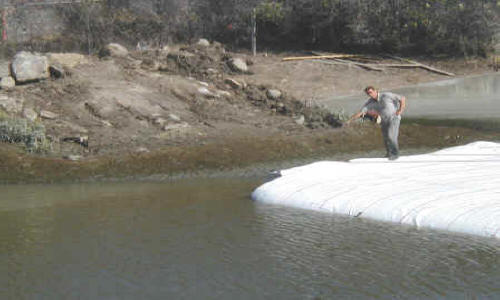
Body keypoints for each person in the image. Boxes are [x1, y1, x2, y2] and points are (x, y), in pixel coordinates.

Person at [345, 86, 406, 160]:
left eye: (370, 92)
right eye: (368, 93)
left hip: (394, 118)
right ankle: (389, 153)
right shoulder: (370, 102)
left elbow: (402, 98)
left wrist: (400, 110)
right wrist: (350, 120)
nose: (370, 94)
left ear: (375, 91)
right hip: (383, 121)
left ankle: (395, 154)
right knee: (386, 138)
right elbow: (361, 112)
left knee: (391, 136)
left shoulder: (386, 95)